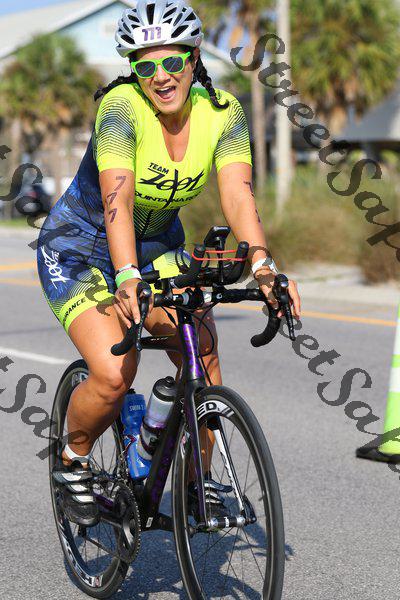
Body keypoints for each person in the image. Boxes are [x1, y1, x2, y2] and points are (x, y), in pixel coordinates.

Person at [38, 0, 301, 527]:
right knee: (115, 373)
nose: (160, 76)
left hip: (157, 246)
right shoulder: (121, 108)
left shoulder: (223, 112)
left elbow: (238, 195)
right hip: (81, 247)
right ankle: (73, 460)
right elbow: (117, 200)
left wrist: (264, 266)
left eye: (172, 62)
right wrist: (127, 276)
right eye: (145, 66)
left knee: (201, 351)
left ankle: (196, 482)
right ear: (133, 71)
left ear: (193, 57)